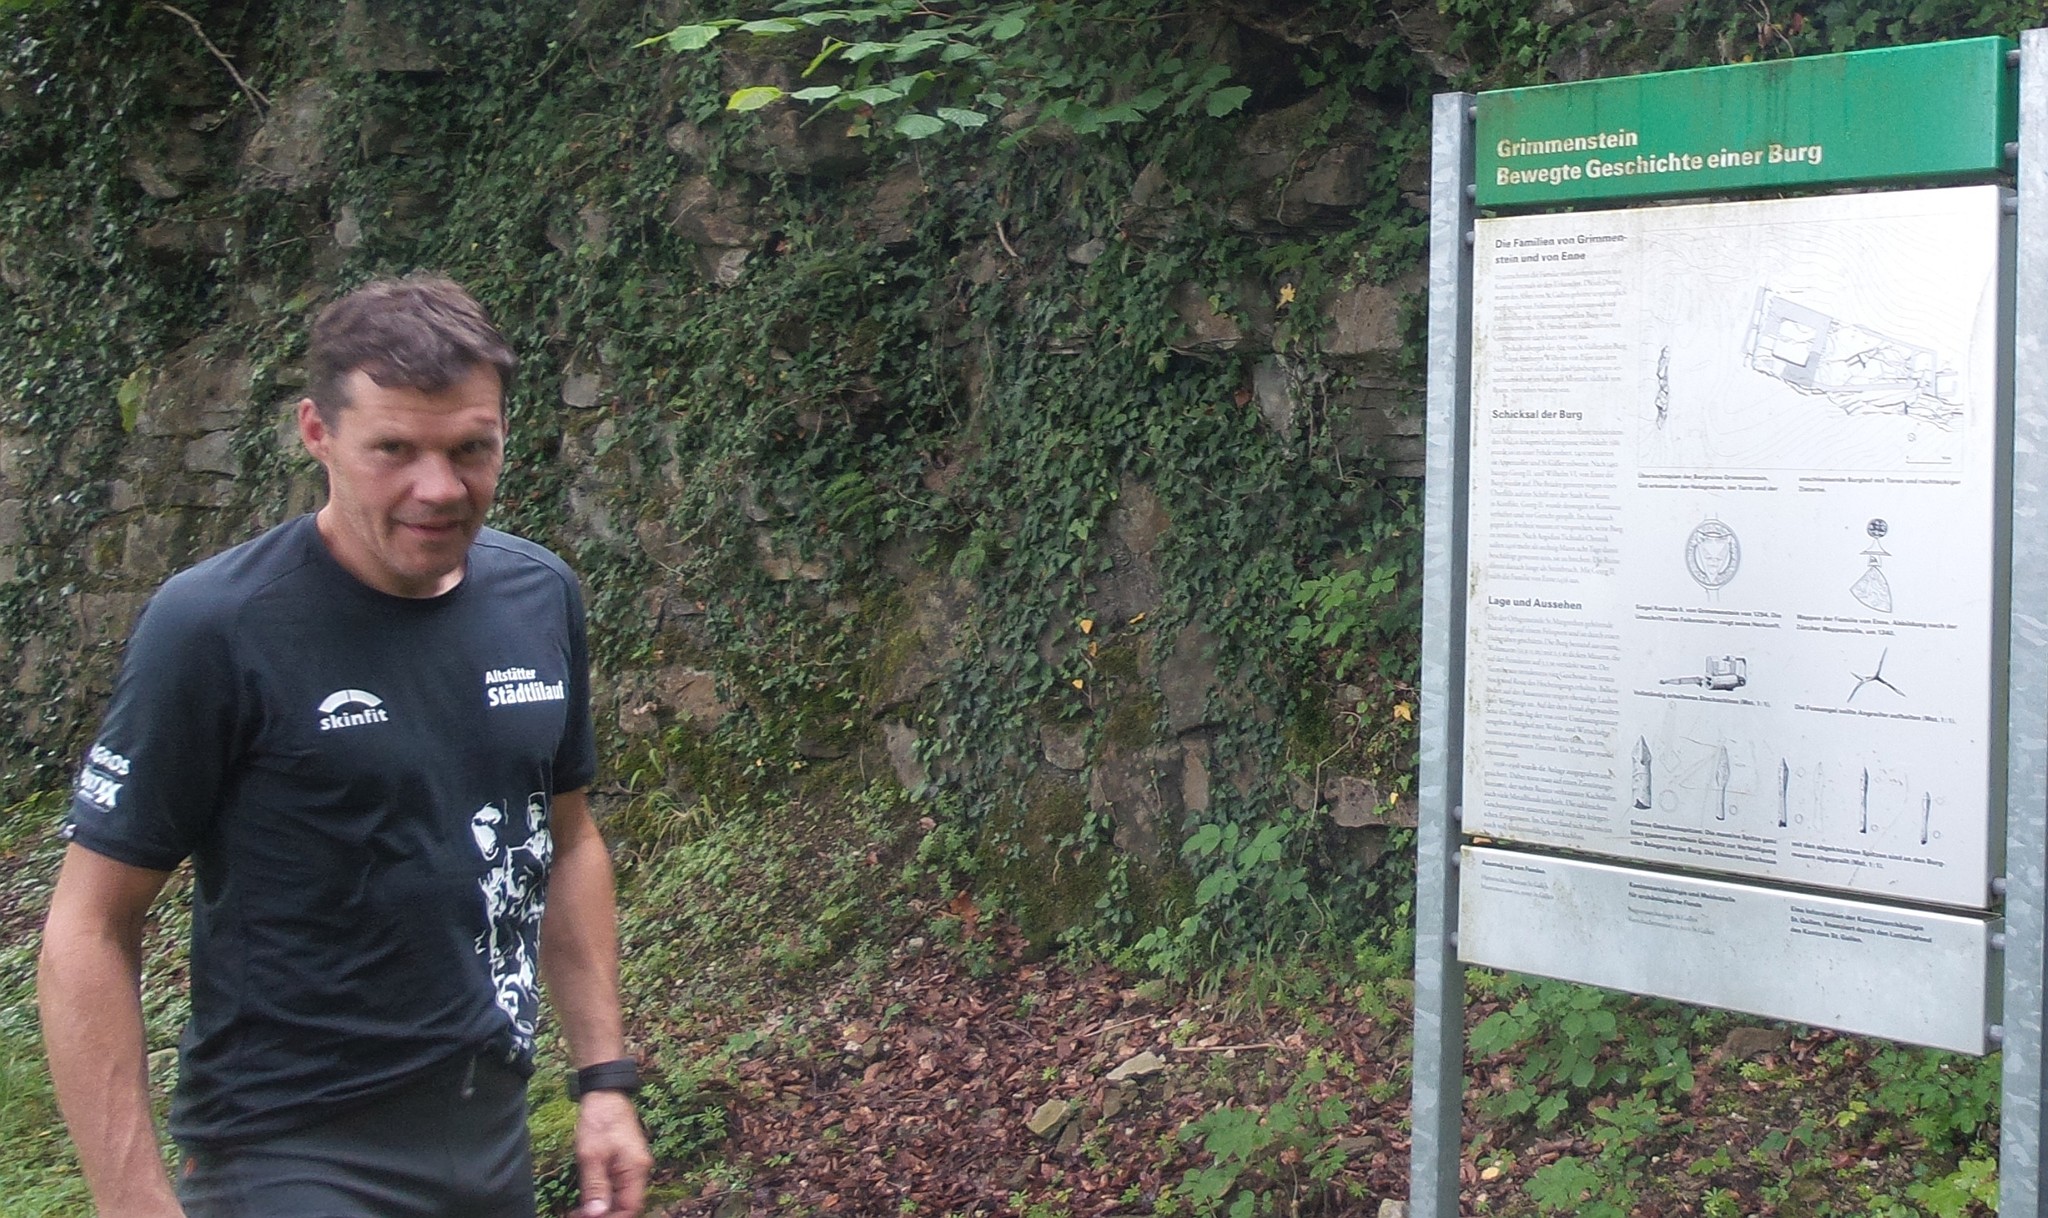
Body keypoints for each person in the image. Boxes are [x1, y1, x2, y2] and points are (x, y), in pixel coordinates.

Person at [37, 275, 653, 1217]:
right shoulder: (217, 626)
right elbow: (87, 925)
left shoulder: (539, 596)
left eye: (470, 449)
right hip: (289, 1153)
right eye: (394, 450)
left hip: (487, 1138)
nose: (438, 488)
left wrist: (604, 1078)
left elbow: (564, 842)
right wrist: (133, 1202)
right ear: (317, 434)